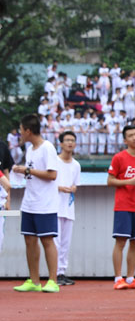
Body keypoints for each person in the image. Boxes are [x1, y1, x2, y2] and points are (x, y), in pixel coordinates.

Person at [12, 114, 61, 293]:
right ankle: (34, 280)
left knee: (47, 240)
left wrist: (28, 170)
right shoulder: (30, 149)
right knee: (29, 240)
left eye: (21, 130)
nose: (20, 134)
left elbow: (52, 175)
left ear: (28, 131)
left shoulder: (47, 148)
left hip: (45, 203)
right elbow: (32, 173)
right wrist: (23, 172)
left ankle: (53, 280)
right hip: (29, 202)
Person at [107, 125, 135, 290]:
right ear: (125, 140)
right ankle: (118, 278)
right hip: (123, 205)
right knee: (120, 241)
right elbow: (110, 181)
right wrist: (128, 181)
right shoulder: (119, 157)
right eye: (130, 135)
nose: (134, 137)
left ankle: (131, 278)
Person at [54, 131, 81, 286]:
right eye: (67, 140)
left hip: (69, 207)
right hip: (55, 206)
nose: (70, 143)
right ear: (61, 143)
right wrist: (59, 188)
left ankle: (62, 272)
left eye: (72, 140)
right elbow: (49, 182)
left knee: (65, 243)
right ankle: (54, 273)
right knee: (56, 242)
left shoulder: (76, 165)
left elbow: (76, 184)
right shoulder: (55, 161)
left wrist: (72, 188)